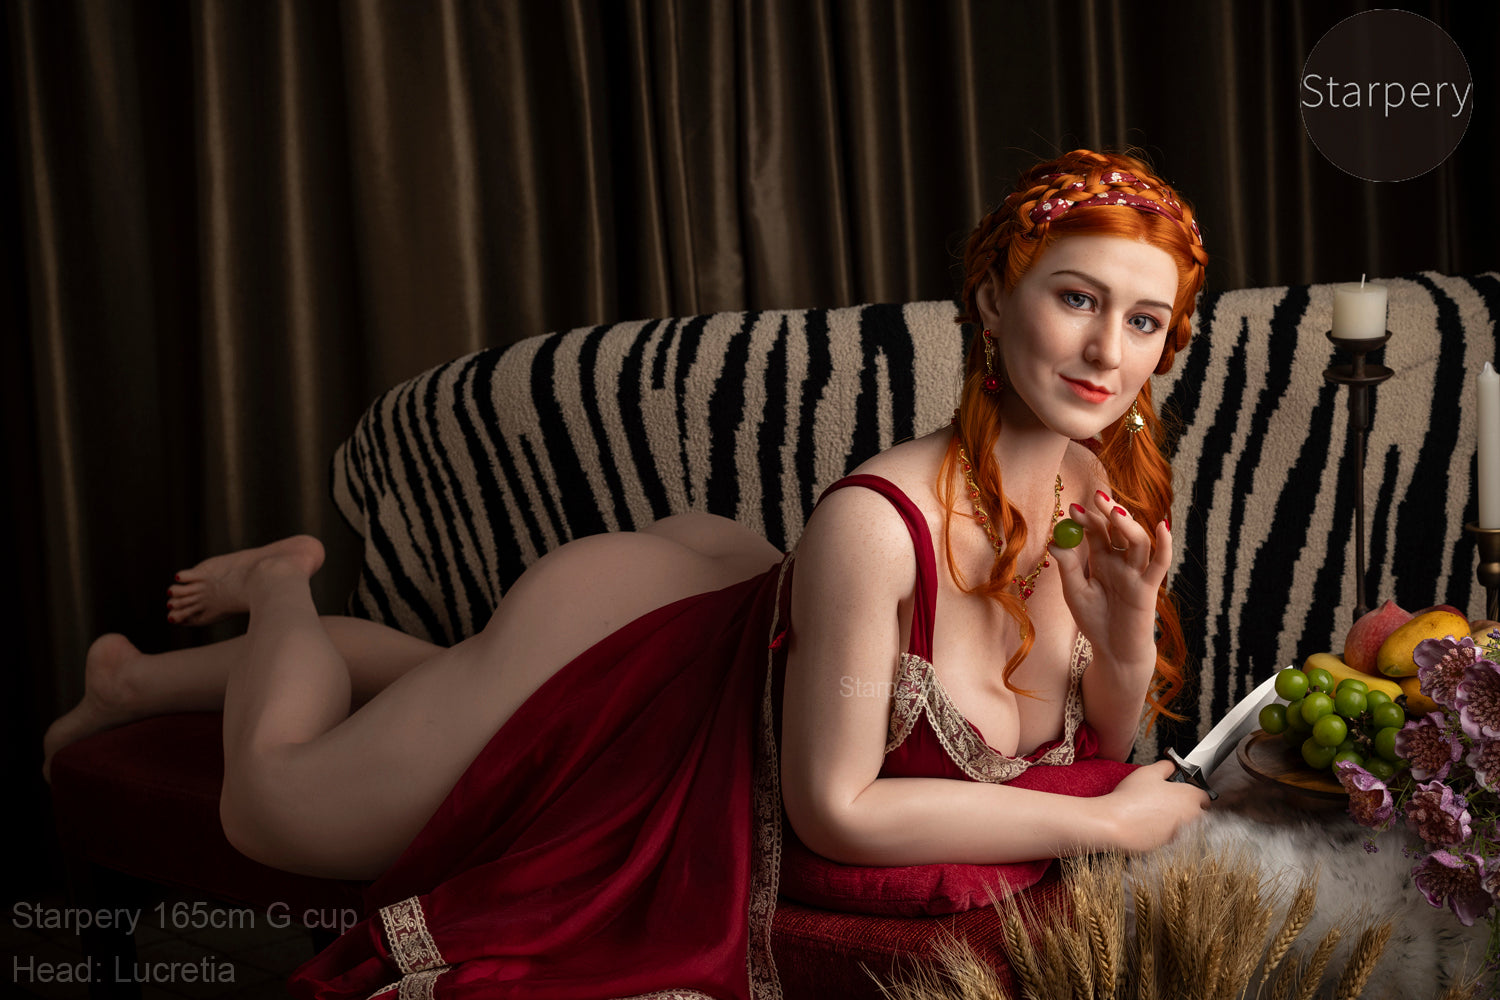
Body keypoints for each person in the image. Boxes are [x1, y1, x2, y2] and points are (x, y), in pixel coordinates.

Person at [44, 148, 1211, 1000]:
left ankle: (131, 681)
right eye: (1077, 298)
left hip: (709, 653)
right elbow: (837, 809)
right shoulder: (875, 524)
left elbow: (1095, 746)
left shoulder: (1103, 499)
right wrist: (1106, 826)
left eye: (1145, 321)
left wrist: (1122, 635)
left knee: (452, 683)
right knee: (278, 807)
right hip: (625, 624)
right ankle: (280, 584)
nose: (1107, 351)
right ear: (995, 299)